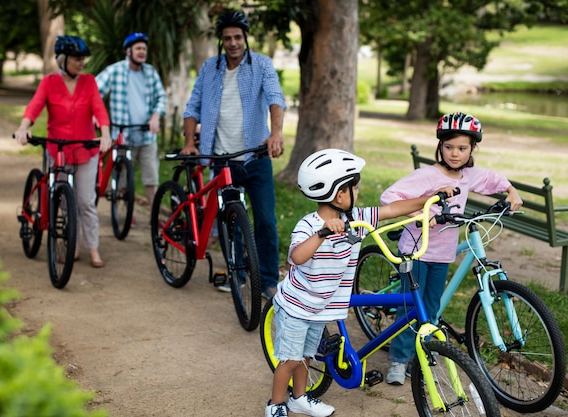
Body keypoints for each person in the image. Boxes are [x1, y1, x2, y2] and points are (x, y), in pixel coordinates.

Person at [267, 149, 441, 417]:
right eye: (354, 188)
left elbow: (392, 209)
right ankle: (276, 404)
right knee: (290, 360)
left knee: (306, 356)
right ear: (339, 195)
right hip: (297, 306)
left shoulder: (355, 221)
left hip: (320, 308)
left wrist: (430, 198)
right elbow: (297, 256)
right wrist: (322, 234)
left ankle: (299, 398)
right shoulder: (308, 225)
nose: (357, 193)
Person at [380, 111, 523, 385]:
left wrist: (511, 191)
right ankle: (399, 360)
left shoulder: (468, 176)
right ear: (439, 147)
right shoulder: (427, 175)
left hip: (442, 254)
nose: (455, 154)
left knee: (432, 308)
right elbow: (390, 197)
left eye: (462, 148)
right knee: (411, 307)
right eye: (448, 147)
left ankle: (419, 356)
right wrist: (422, 214)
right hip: (416, 250)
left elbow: (493, 179)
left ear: (471, 149)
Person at [181, 10, 286, 298]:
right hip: (221, 160)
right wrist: (190, 141)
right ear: (221, 40)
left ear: (245, 38)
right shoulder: (209, 68)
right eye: (227, 38)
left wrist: (275, 133)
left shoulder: (262, 65)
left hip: (255, 156)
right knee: (230, 221)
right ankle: (236, 273)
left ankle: (267, 280)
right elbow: (192, 106)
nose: (232, 43)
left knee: (265, 220)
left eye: (237, 37)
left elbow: (276, 98)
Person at [14, 35, 111, 268]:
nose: (81, 63)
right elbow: (34, 107)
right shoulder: (48, 82)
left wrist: (105, 133)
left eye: (82, 59)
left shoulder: (89, 82)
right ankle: (71, 243)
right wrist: (23, 128)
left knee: (86, 201)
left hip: (85, 149)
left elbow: (99, 109)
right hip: (58, 150)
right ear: (62, 60)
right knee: (65, 202)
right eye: (77, 59)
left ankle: (93, 248)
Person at [96, 32, 167, 224]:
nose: (142, 52)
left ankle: (153, 216)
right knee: (123, 177)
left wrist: (155, 116)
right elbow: (94, 92)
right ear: (129, 51)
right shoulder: (114, 71)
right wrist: (96, 114)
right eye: (138, 48)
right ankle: (127, 213)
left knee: (151, 177)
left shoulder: (150, 72)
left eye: (144, 48)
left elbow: (161, 97)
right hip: (122, 135)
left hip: (146, 135)